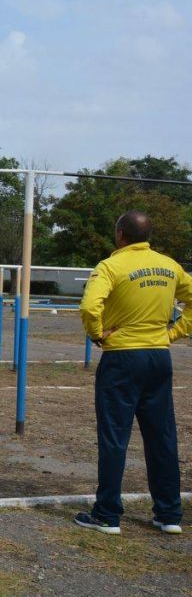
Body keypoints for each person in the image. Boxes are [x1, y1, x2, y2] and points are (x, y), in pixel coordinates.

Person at [74, 210, 191, 536]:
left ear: (120, 234)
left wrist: (96, 333)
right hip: (158, 357)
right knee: (162, 436)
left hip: (122, 359)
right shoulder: (170, 266)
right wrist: (173, 333)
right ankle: (169, 514)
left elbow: (88, 307)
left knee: (114, 438)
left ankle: (107, 514)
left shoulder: (111, 266)